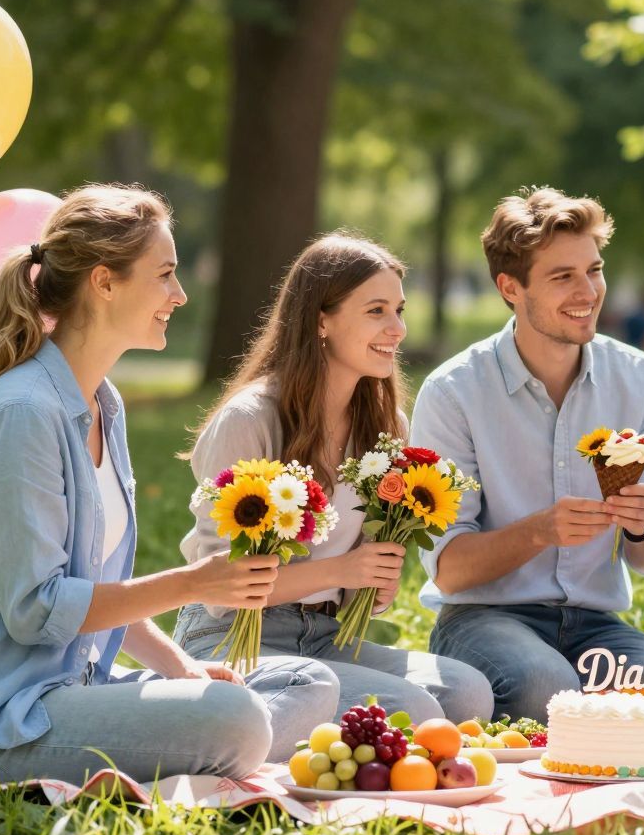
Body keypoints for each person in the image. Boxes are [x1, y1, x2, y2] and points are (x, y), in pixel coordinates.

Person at [0, 185, 339, 784]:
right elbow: (36, 612)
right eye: (164, 275)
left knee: (307, 681)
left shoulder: (104, 405)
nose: (179, 295)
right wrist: (193, 583)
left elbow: (97, 588)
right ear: (104, 282)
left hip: (78, 688)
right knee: (237, 718)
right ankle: (220, 740)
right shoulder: (24, 413)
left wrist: (181, 668)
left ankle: (209, 739)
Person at [173, 232, 493, 724]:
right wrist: (344, 572)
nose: (397, 329)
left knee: (466, 692)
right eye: (376, 311)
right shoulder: (251, 419)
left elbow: (358, 581)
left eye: (400, 311)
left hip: (325, 637)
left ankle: (295, 723)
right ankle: (230, 723)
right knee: (412, 711)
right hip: (230, 636)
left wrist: (375, 585)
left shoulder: (387, 428)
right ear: (321, 319)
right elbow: (219, 586)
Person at [411, 188, 644, 719]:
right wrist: (540, 531)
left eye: (595, 270)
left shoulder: (640, 379)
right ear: (511, 288)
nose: (589, 292)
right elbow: (448, 569)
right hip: (484, 620)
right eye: (563, 277)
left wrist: (642, 528)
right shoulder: (453, 393)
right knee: (546, 690)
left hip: (596, 625)